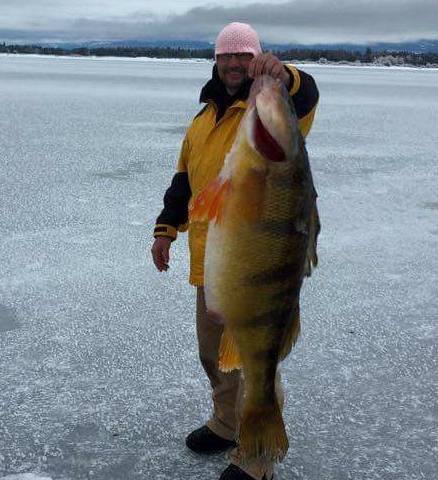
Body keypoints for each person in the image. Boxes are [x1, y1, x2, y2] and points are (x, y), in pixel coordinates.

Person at [150, 22, 320, 480]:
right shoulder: (203, 119)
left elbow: (305, 99)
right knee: (215, 355)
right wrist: (166, 229)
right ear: (216, 60)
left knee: (254, 362)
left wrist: (286, 79)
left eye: (245, 56)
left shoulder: (267, 107)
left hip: (256, 264)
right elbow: (185, 181)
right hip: (213, 261)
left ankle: (257, 456)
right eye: (227, 56)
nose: (235, 64)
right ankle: (227, 424)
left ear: (256, 60)